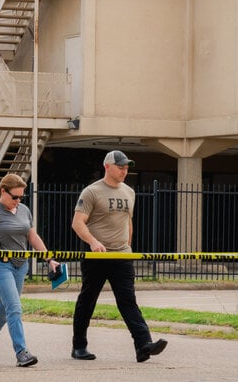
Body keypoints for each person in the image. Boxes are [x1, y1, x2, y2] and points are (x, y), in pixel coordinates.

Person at [70, 150, 167, 363]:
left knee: (128, 301)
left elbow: (128, 221)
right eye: (120, 167)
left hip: (122, 256)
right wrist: (93, 242)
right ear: (107, 167)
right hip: (97, 256)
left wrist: (128, 245)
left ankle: (143, 345)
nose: (125, 171)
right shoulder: (91, 192)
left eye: (126, 167)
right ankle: (79, 346)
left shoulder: (129, 192)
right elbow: (77, 223)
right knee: (87, 301)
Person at [0, 173, 59, 368]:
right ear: (3, 191)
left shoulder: (24, 210)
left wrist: (49, 259)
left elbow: (33, 237)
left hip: (20, 266)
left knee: (4, 310)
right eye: (15, 197)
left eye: (21, 197)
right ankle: (22, 352)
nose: (18, 201)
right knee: (14, 308)